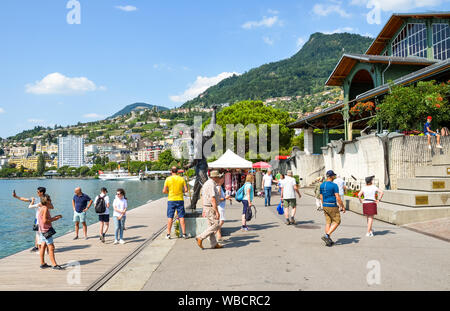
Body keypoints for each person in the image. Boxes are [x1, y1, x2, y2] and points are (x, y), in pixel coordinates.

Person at [32, 195, 64, 270]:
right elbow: (45, 221)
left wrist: (54, 217)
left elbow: (44, 219)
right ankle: (54, 265)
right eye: (50, 200)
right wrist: (56, 218)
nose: (51, 201)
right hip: (46, 230)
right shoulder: (45, 208)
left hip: (41, 230)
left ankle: (42, 263)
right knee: (51, 247)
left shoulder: (41, 208)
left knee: (43, 246)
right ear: (47, 201)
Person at [12, 187, 47, 252]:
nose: (37, 193)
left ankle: (41, 247)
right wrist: (16, 196)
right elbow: (24, 199)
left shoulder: (44, 199)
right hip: (38, 219)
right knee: (38, 233)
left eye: (38, 192)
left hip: (42, 219)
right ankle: (37, 246)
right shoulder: (38, 199)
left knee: (40, 233)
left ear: (41, 192)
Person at [196, 170, 224, 249]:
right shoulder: (211, 184)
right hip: (210, 207)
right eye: (219, 177)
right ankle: (200, 237)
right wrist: (217, 211)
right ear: (215, 177)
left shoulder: (207, 183)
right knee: (216, 224)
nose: (220, 178)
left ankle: (214, 243)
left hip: (207, 206)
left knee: (211, 225)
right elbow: (212, 199)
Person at [320, 170, 345, 247]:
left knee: (328, 222)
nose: (334, 176)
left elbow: (321, 196)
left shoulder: (322, 184)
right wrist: (342, 206)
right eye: (334, 175)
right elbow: (337, 197)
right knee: (337, 221)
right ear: (331, 176)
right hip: (332, 205)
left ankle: (328, 240)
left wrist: (323, 204)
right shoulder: (334, 185)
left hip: (325, 205)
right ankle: (327, 235)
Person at [163, 166, 188, 239]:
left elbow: (164, 191)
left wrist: (169, 192)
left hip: (171, 199)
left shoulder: (168, 179)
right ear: (177, 171)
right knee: (181, 217)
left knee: (170, 217)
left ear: (171, 171)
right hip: (180, 199)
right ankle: (184, 234)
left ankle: (168, 234)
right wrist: (181, 191)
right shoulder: (181, 179)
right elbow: (186, 190)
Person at [216, 175, 230, 241]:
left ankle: (219, 235)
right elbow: (218, 198)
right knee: (222, 220)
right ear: (220, 179)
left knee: (220, 221)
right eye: (223, 179)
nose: (224, 180)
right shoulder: (218, 187)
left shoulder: (219, 187)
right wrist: (225, 198)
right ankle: (215, 232)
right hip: (220, 206)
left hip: (221, 206)